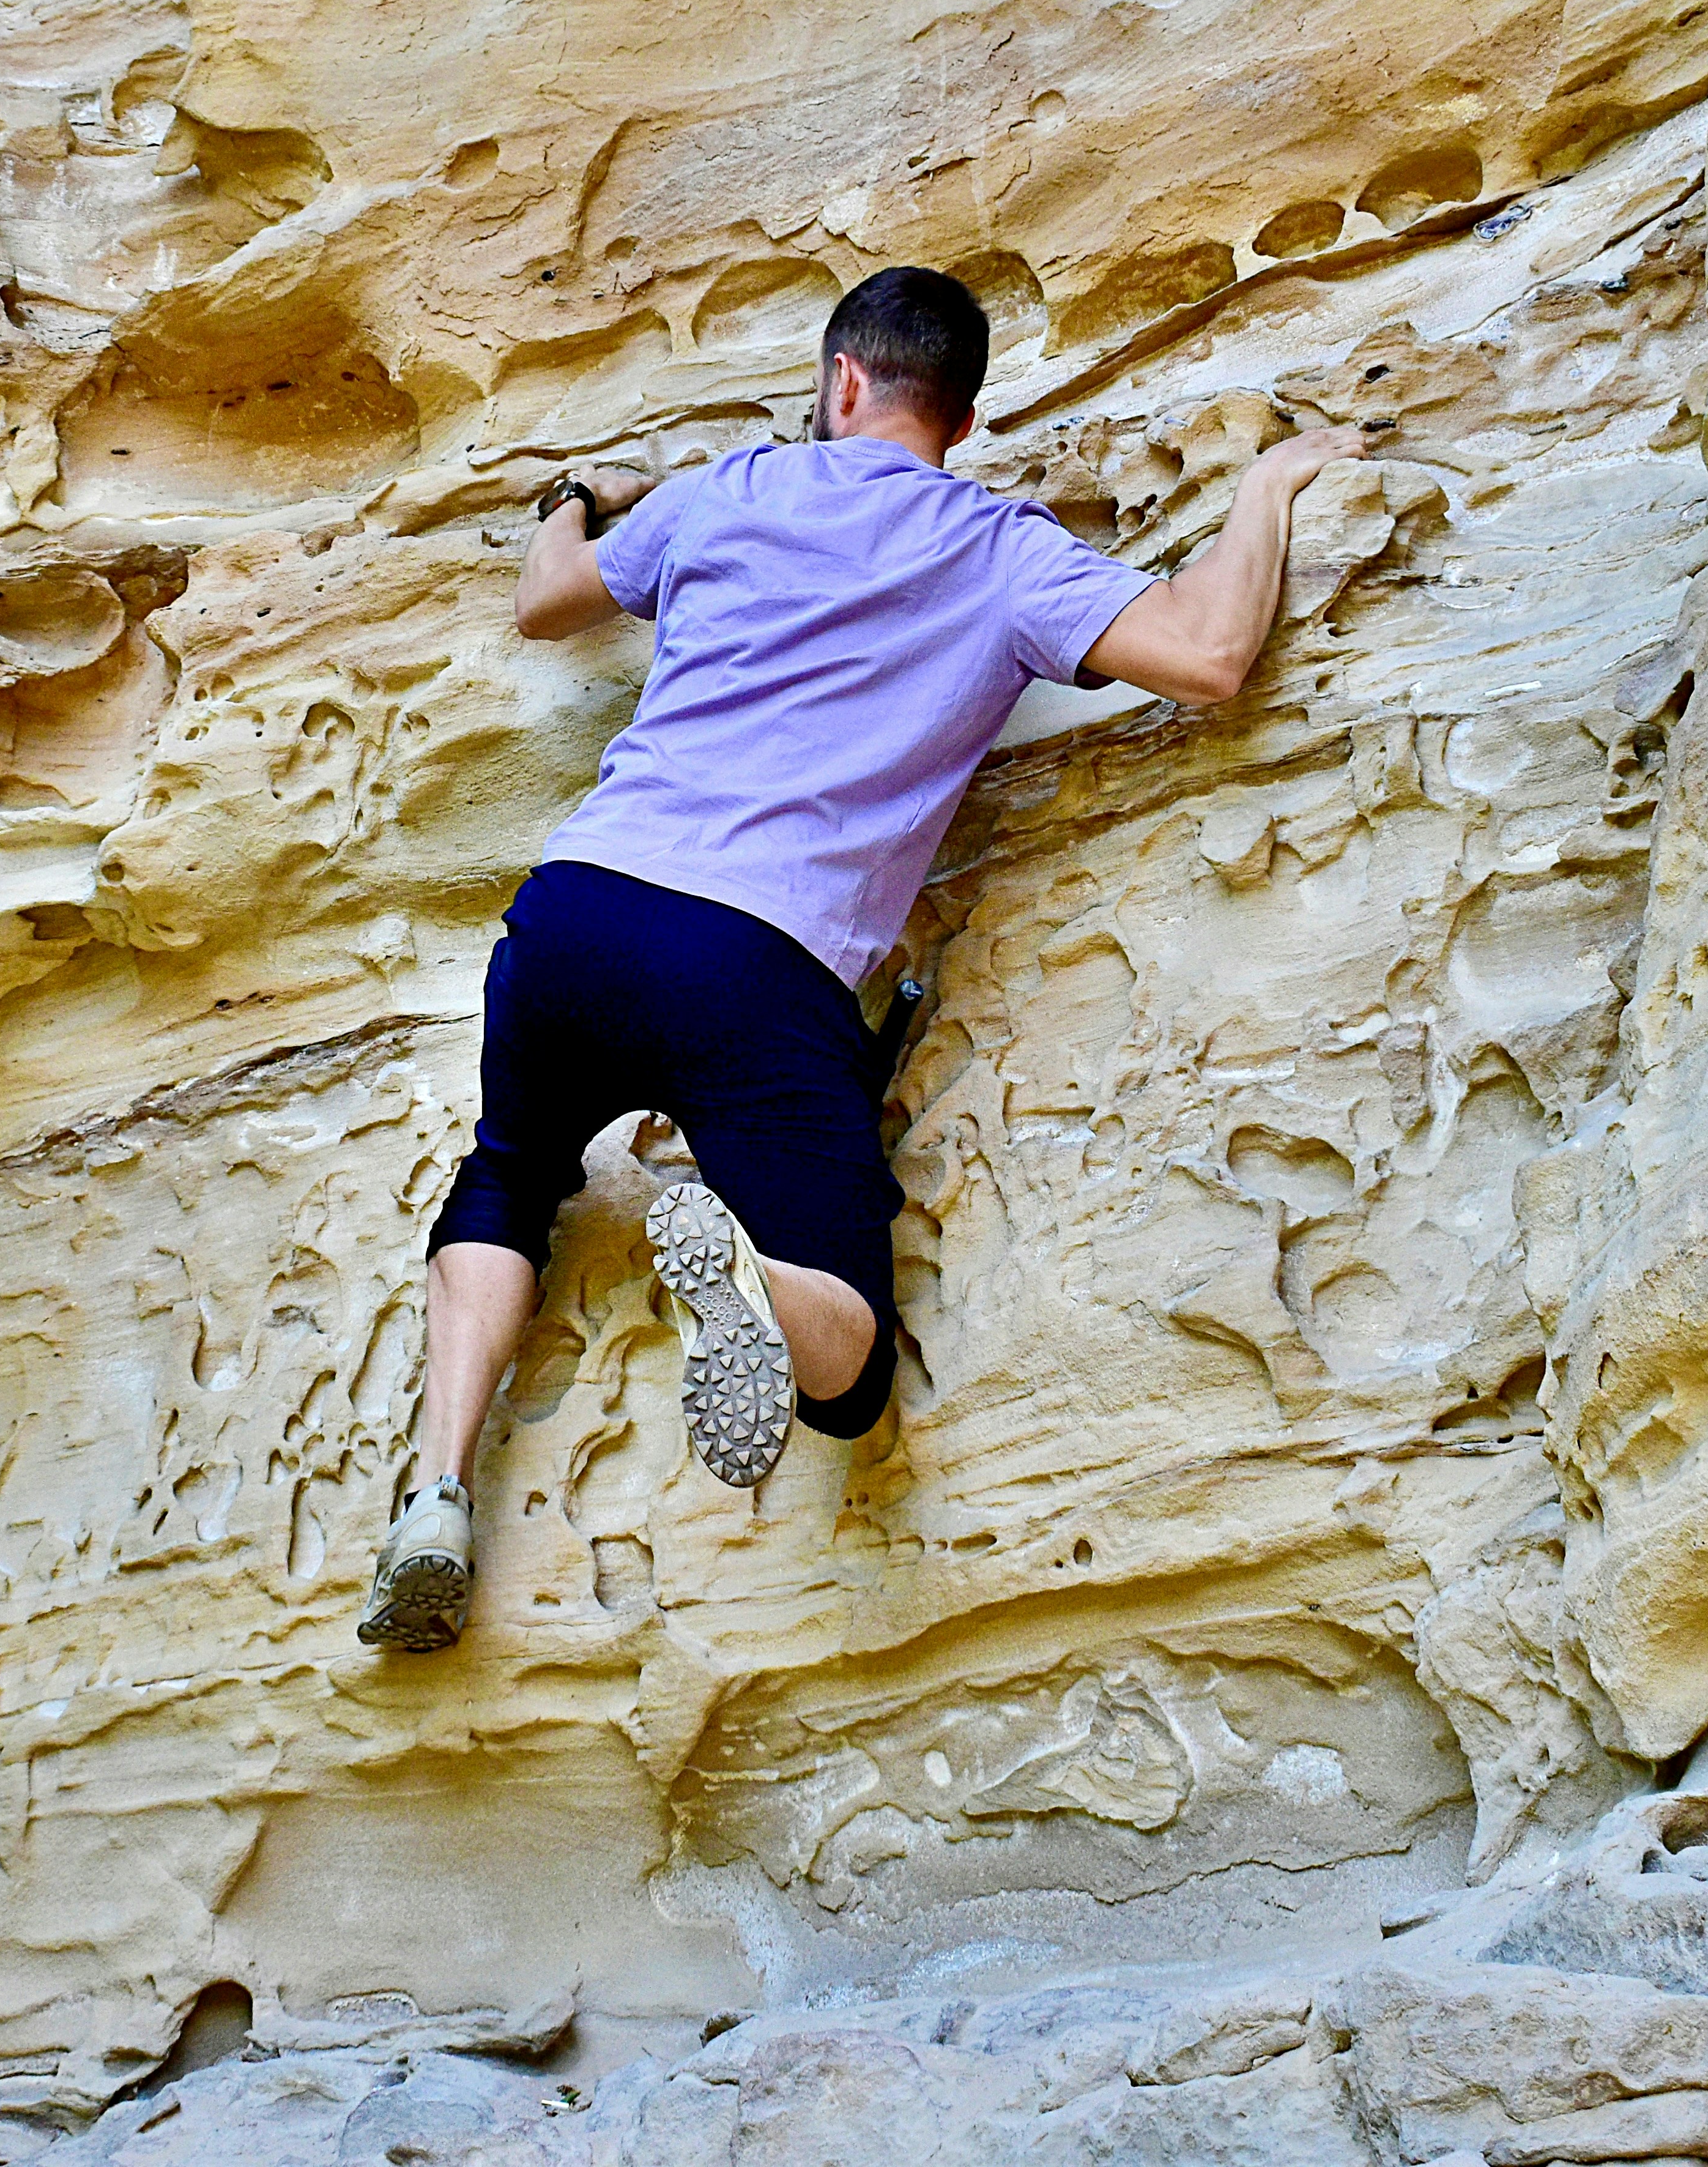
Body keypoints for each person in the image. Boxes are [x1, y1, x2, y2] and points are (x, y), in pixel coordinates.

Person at [358, 266, 1368, 1651]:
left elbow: (548, 600)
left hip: (578, 911)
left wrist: (567, 509)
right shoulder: (1003, 551)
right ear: (958, 407)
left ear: (842, 382)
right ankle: (759, 1274)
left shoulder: (734, 487)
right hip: (758, 959)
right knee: (846, 1380)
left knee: (512, 1173)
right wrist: (1266, 490)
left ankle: (434, 1490)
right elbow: (1208, 653)